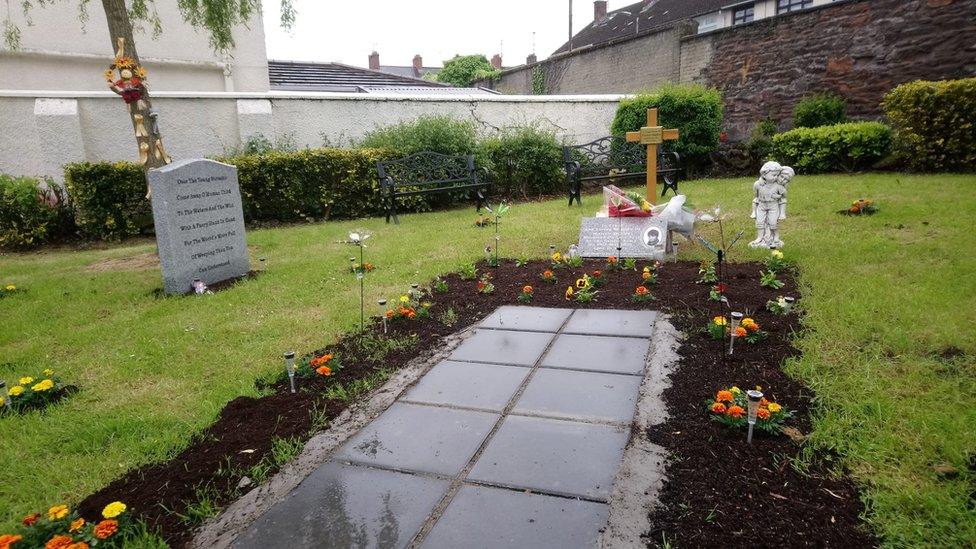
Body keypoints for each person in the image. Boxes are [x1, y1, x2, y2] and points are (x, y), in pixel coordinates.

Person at [749, 161, 784, 248]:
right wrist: (754, 210)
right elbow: (755, 197)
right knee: (759, 222)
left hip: (773, 206)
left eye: (777, 175)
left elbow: (783, 196)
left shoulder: (778, 185)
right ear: (764, 174)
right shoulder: (757, 184)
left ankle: (775, 237)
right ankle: (760, 237)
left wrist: (778, 196)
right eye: (773, 175)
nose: (775, 177)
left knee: (773, 222)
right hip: (762, 205)